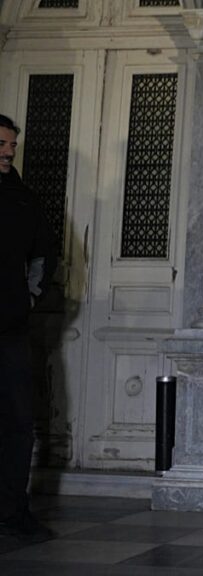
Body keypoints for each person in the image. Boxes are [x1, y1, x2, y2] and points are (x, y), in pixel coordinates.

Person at [0, 113, 57, 544]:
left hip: (10, 328)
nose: (8, 152)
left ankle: (12, 513)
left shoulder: (23, 198)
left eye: (12, 146)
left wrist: (29, 298)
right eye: (1, 144)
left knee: (19, 423)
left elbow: (44, 253)